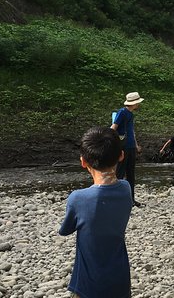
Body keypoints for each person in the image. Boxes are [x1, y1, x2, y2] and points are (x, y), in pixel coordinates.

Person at [59, 126, 133, 298]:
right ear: (121, 156)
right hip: (120, 278)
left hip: (88, 283)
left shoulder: (78, 198)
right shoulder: (126, 188)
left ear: (83, 162)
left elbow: (65, 230)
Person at [111, 91, 144, 207]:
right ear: (134, 103)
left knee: (131, 173)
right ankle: (116, 199)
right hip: (123, 147)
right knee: (120, 173)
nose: (138, 104)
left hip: (130, 146)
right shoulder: (122, 112)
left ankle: (131, 200)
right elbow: (113, 128)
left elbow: (131, 131)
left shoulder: (130, 114)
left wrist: (136, 145)